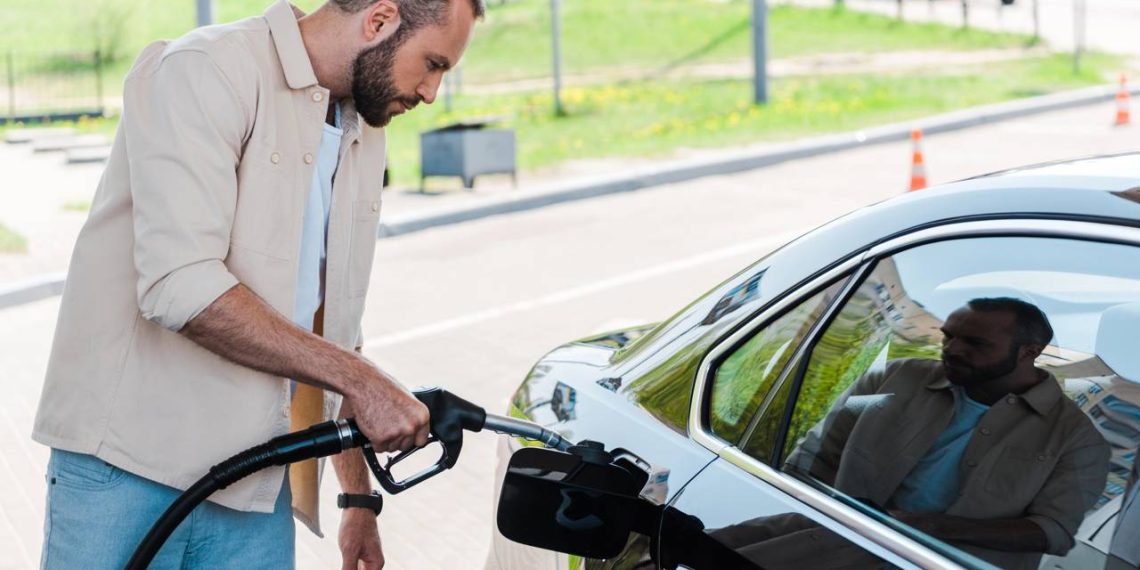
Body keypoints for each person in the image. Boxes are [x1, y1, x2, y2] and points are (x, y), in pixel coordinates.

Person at [31, 1, 483, 568]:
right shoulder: (206, 70)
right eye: (433, 63)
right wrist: (364, 383)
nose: (431, 91)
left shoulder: (362, 125)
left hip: (254, 482)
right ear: (380, 20)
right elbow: (180, 284)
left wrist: (358, 496)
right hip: (126, 472)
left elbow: (331, 323)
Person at [785, 297, 1110, 569]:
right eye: (948, 336)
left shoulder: (1077, 438)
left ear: (1030, 352)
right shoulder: (891, 379)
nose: (952, 349)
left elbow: (1052, 532)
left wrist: (929, 527)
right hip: (829, 540)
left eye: (975, 343)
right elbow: (815, 454)